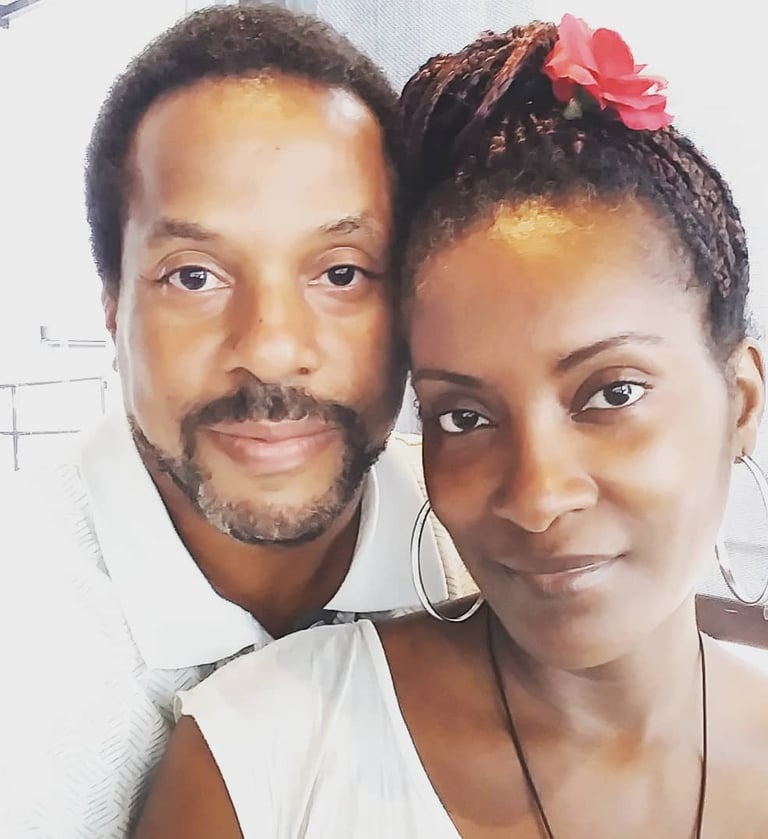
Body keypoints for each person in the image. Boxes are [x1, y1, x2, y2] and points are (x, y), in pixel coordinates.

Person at [136, 14, 768, 839]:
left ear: (741, 401)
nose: (538, 496)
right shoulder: (260, 762)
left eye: (611, 393)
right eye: (464, 416)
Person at [0, 5, 472, 837]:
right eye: (194, 276)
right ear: (112, 303)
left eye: (341, 272)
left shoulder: (494, 560)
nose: (272, 350)